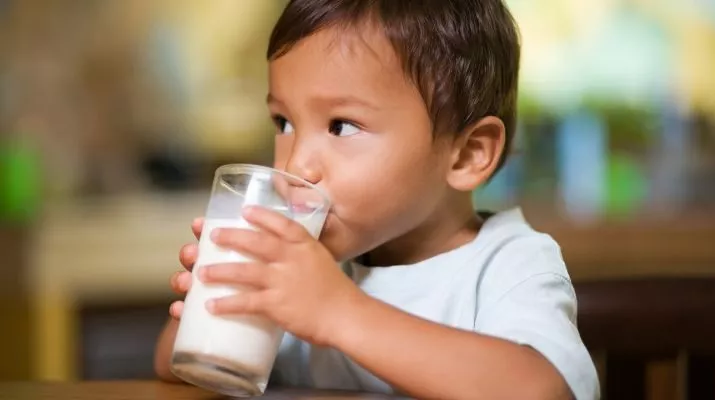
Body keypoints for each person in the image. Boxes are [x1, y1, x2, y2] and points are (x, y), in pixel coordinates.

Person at [155, 1, 600, 398]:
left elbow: (540, 389)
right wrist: (211, 305)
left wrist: (338, 312)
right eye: (284, 122)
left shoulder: (506, 264)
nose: (296, 167)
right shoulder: (311, 265)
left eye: (341, 126)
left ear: (466, 154)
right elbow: (177, 369)